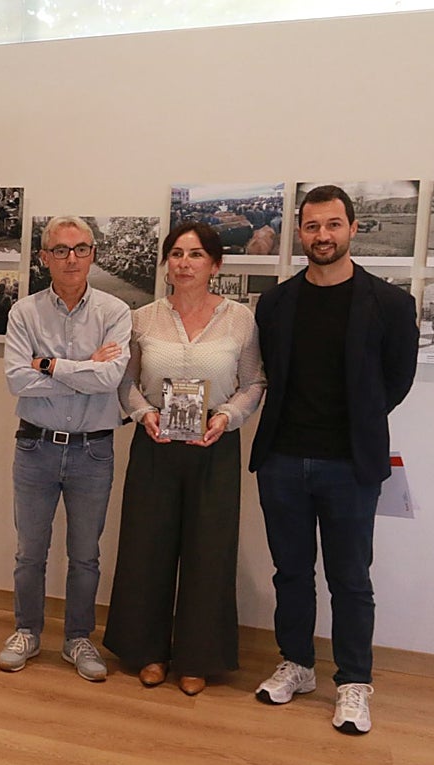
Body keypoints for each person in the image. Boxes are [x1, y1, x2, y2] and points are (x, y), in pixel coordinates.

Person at [250, 185, 417, 734]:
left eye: (333, 225)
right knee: (291, 573)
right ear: (300, 232)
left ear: (352, 229)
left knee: (350, 578)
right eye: (313, 226)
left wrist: (360, 422)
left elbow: (397, 381)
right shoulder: (276, 303)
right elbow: (271, 370)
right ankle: (297, 665)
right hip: (282, 461)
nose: (323, 235)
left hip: (351, 465)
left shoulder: (390, 304)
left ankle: (353, 682)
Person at [104, 221, 265, 696]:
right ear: (166, 263)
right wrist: (142, 413)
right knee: (146, 547)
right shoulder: (143, 318)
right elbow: (124, 381)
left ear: (215, 264)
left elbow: (254, 383)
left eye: (195, 255)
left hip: (215, 445)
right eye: (176, 254)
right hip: (155, 444)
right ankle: (147, 652)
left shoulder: (241, 319)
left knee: (208, 551)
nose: (184, 263)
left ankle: (197, 657)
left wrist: (228, 418)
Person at [0, 216, 131, 681]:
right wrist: (82, 370)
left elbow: (110, 378)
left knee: (85, 554)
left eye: (80, 248)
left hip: (93, 451)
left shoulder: (115, 312)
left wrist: (49, 366)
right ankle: (27, 631)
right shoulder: (24, 313)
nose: (70, 258)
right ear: (44, 258)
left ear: (93, 254)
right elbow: (16, 379)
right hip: (34, 447)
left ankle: (78, 639)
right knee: (29, 552)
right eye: (60, 250)